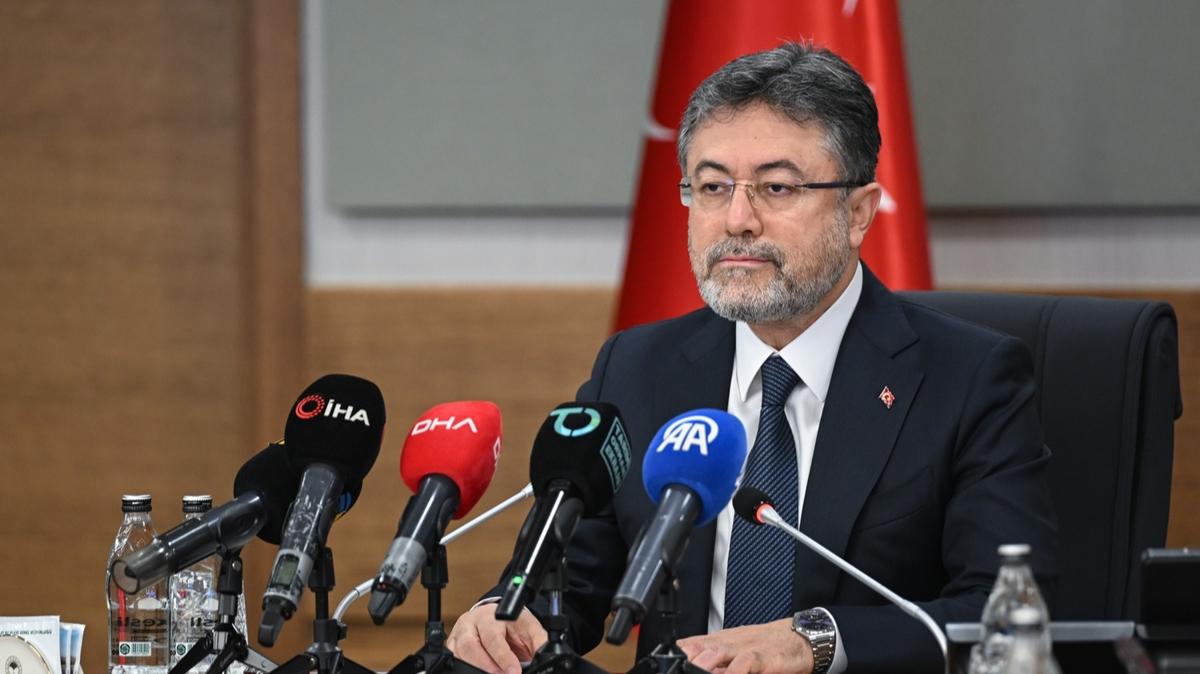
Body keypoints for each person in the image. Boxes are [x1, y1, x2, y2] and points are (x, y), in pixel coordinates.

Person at [447, 42, 1058, 674]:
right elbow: (569, 582)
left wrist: (812, 642)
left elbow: (1003, 609)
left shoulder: (970, 379)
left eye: (776, 187)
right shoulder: (636, 369)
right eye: (712, 187)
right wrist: (507, 616)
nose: (737, 219)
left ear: (858, 212)